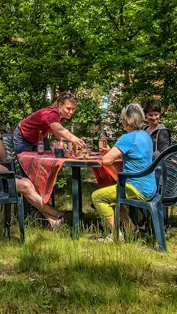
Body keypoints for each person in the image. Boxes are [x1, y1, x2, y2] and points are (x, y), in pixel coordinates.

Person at [0, 102, 65, 228]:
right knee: (25, 186)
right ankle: (59, 214)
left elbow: (2, 157)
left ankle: (52, 220)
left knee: (29, 182)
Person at [91, 103, 156, 240]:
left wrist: (109, 153)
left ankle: (116, 235)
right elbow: (134, 153)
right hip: (150, 186)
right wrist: (113, 152)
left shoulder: (127, 138)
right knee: (112, 195)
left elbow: (106, 161)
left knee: (98, 197)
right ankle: (130, 228)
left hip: (135, 187)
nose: (121, 122)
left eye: (122, 119)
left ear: (126, 120)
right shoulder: (145, 135)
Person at [13, 92, 86, 155]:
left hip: (40, 137)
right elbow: (61, 130)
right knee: (25, 162)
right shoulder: (51, 114)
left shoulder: (61, 116)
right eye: (68, 108)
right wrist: (76, 140)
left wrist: (60, 142)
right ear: (60, 104)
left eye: (73, 109)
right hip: (23, 136)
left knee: (45, 160)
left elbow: (56, 129)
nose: (71, 112)